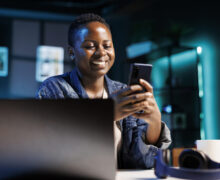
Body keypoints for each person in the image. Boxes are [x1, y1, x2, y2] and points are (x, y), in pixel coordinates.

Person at [36, 13, 171, 169]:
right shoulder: (53, 88)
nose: (101, 53)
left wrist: (153, 122)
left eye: (107, 46)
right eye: (90, 46)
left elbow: (142, 162)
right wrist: (105, 113)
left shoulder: (122, 91)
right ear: (71, 52)